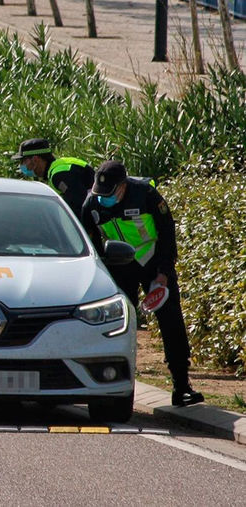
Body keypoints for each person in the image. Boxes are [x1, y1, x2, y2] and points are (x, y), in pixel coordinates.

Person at [82, 161, 204, 407]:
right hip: (121, 264)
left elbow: (167, 233)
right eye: (99, 194)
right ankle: (111, 383)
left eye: (109, 194)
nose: (103, 199)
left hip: (153, 262)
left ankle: (181, 386)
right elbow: (90, 242)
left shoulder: (146, 195)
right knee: (116, 324)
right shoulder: (92, 203)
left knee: (171, 322)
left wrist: (164, 272)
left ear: (122, 187)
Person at [11, 138, 94, 222]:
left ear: (35, 159)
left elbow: (80, 206)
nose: (21, 165)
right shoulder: (58, 167)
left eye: (23, 161)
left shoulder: (58, 175)